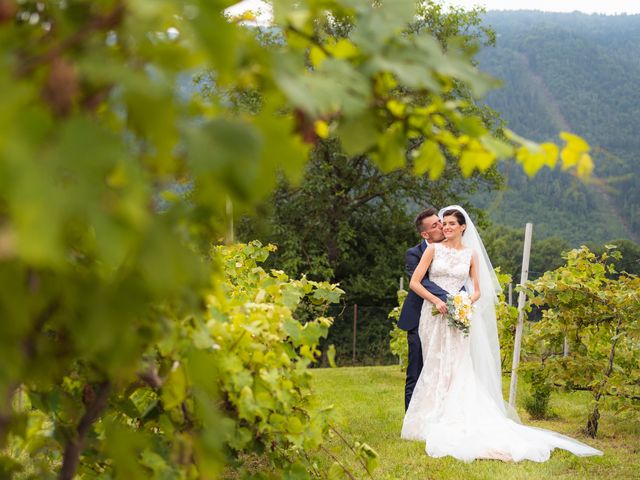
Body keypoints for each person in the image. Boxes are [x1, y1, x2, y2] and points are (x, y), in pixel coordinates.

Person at [400, 205, 602, 462]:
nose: (446, 227)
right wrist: (440, 302)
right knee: (435, 364)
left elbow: (477, 290)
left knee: (458, 365)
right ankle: (426, 417)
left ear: (463, 227)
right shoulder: (432, 249)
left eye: (451, 224)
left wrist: (464, 303)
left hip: (457, 315)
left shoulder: (471, 254)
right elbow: (416, 282)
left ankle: (454, 415)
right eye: (444, 223)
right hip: (433, 315)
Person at [397, 208, 448, 411]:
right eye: (435, 225)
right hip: (419, 317)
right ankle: (410, 417)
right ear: (425, 234)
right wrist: (449, 296)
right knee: (416, 369)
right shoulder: (413, 253)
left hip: (445, 316)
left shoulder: (451, 250)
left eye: (440, 221)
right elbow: (421, 282)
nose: (441, 226)